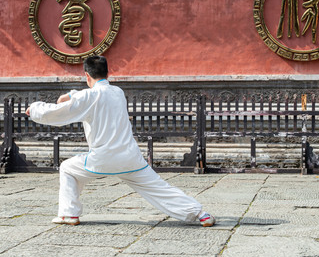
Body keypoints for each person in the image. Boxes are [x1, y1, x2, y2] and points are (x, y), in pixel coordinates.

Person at [26, 56, 215, 227]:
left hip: (102, 159)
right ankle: (200, 214)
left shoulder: (89, 97)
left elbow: (57, 112)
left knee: (68, 168)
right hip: (130, 158)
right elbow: (96, 94)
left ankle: (69, 214)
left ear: (86, 75)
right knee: (158, 188)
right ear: (108, 73)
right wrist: (73, 93)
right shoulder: (117, 92)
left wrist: (34, 109)